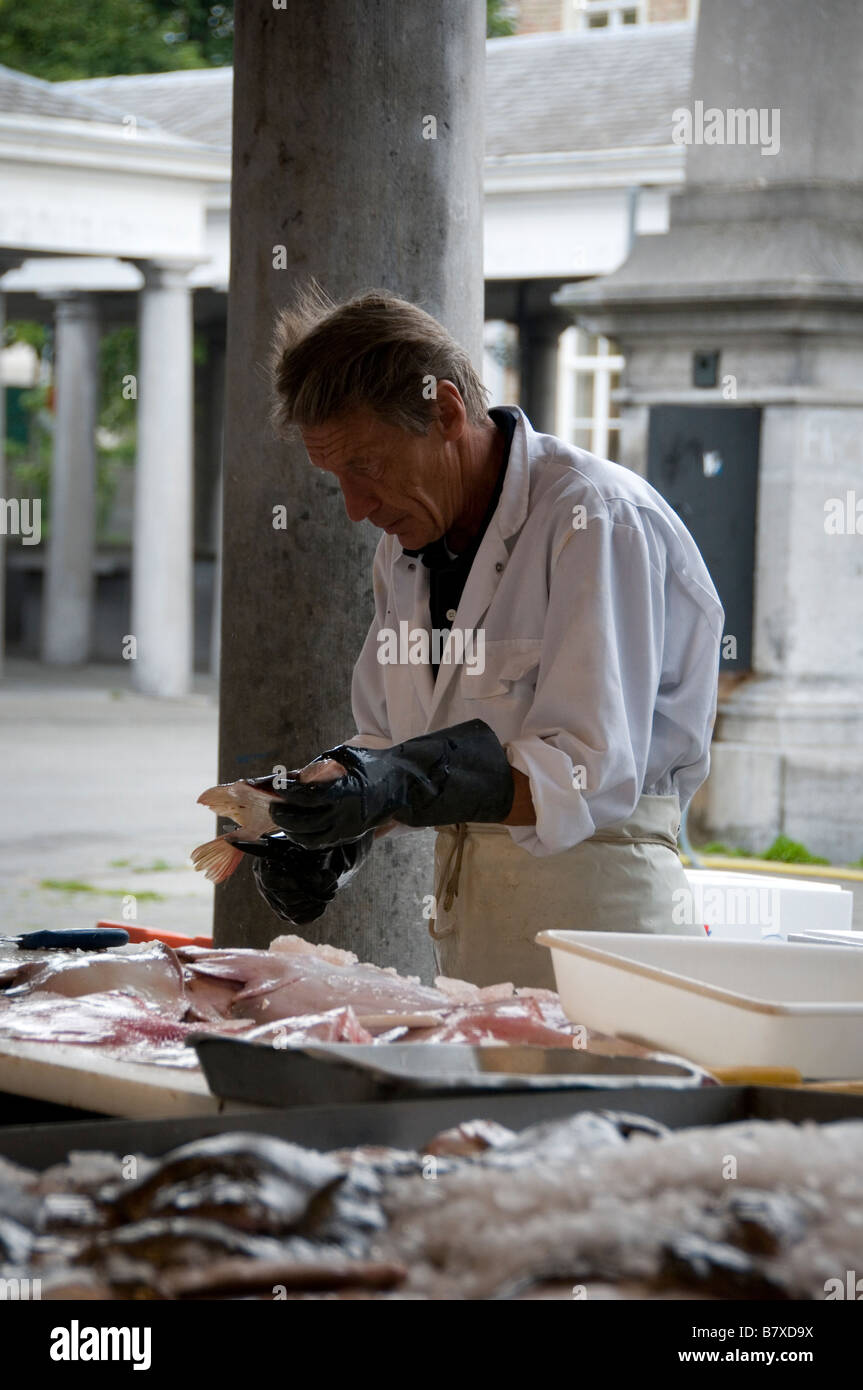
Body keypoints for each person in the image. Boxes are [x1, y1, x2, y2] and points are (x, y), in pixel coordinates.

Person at [235, 285, 724, 986]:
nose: (354, 508)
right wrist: (329, 819)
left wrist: (398, 782)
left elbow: (586, 771)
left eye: (366, 468)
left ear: (444, 411)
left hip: (599, 920)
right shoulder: (404, 549)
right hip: (471, 926)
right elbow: (387, 742)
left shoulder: (594, 518)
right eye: (335, 479)